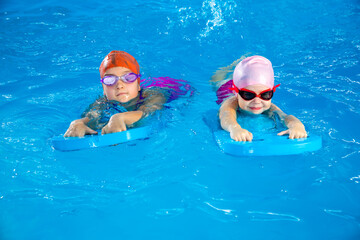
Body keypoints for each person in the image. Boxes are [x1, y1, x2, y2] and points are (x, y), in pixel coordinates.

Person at [64, 50, 167, 137]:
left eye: (128, 77)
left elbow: (149, 111)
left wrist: (120, 117)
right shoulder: (102, 103)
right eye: (110, 80)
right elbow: (92, 116)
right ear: (104, 89)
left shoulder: (154, 95)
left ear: (138, 84)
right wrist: (79, 122)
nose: (119, 85)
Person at [216, 55, 307, 142]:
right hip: (225, 89)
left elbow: (285, 117)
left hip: (241, 83)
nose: (257, 101)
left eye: (265, 94)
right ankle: (230, 66)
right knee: (218, 79)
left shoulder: (269, 106)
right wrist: (235, 128)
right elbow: (226, 116)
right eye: (248, 95)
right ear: (236, 93)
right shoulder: (230, 103)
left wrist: (297, 126)